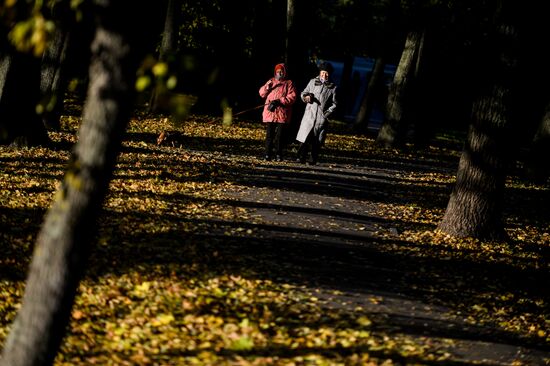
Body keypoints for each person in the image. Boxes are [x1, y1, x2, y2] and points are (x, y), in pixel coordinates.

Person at [295, 62, 337, 165]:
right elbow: (303, 93)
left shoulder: (333, 87)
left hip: (321, 118)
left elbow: (335, 103)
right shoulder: (312, 82)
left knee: (316, 141)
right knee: (305, 138)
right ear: (320, 72)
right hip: (309, 115)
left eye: (326, 73)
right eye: (323, 73)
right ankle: (301, 157)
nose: (324, 75)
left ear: (329, 74)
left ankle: (312, 159)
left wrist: (326, 114)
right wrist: (306, 97)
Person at [258, 63, 297, 161]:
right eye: (278, 71)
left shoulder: (289, 83)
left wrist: (280, 101)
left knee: (280, 136)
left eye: (281, 71)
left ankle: (278, 155)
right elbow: (262, 94)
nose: (279, 73)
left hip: (282, 113)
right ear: (275, 72)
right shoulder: (271, 81)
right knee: (269, 135)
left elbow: (292, 97)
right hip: (270, 112)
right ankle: (267, 154)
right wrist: (267, 87)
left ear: (285, 72)